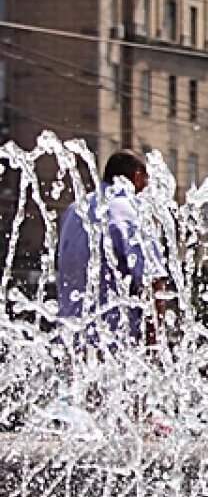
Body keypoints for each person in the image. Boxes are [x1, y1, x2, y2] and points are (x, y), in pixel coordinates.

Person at [56, 149, 167, 352]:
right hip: (115, 343)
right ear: (137, 176)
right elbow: (153, 283)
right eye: (146, 180)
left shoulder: (73, 210)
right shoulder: (131, 211)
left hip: (71, 342)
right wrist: (154, 348)